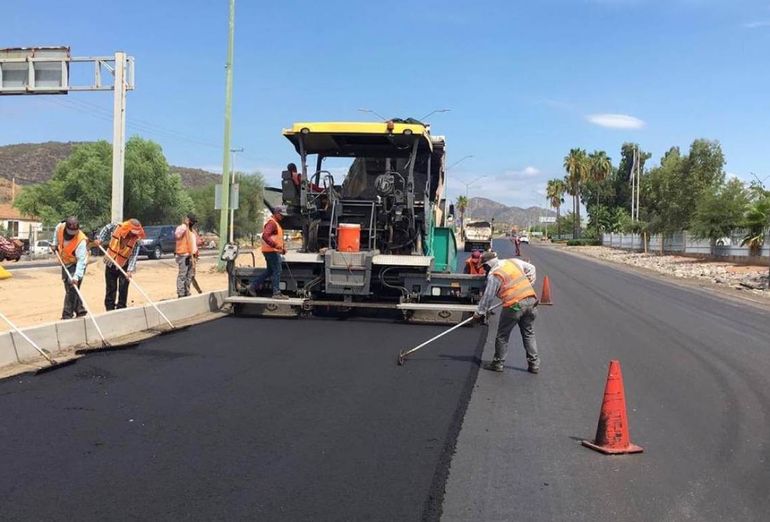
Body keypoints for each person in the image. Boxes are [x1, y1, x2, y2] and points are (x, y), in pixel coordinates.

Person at [474, 250, 540, 374]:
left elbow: (488, 297)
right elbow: (532, 268)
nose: (484, 269)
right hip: (531, 301)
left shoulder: (495, 274)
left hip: (514, 306)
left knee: (502, 335)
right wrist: (529, 284)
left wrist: (479, 313)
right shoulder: (512, 262)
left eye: (484, 266)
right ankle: (534, 365)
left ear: (488, 263)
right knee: (528, 333)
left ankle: (498, 363)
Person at [95, 218, 146, 311]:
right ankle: (109, 308)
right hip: (111, 261)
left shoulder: (136, 240)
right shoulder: (117, 227)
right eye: (132, 232)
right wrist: (100, 239)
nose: (133, 234)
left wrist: (129, 270)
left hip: (124, 265)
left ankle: (121, 308)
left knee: (123, 287)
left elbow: (133, 256)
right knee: (111, 287)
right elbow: (106, 228)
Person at [51, 216, 89, 319]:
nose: (72, 234)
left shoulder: (81, 241)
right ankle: (80, 310)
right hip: (66, 262)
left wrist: (76, 277)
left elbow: (81, 261)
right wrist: (55, 244)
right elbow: (56, 233)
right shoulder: (60, 227)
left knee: (72, 287)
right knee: (70, 288)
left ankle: (67, 315)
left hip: (77, 264)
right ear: (66, 227)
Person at [248, 206, 288, 299]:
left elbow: (275, 238)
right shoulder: (272, 223)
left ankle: (252, 286)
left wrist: (281, 249)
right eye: (281, 215)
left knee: (270, 271)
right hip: (272, 251)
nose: (282, 217)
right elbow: (265, 236)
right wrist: (275, 245)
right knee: (277, 270)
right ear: (276, 214)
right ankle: (276, 293)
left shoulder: (275, 223)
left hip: (270, 251)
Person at [174, 213, 199, 298]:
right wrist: (185, 225)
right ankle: (181, 293)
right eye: (192, 221)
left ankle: (187, 292)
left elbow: (195, 243)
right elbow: (177, 235)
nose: (193, 223)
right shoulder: (182, 228)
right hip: (183, 255)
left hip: (192, 256)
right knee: (182, 275)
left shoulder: (192, 231)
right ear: (188, 220)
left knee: (189, 276)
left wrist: (196, 255)